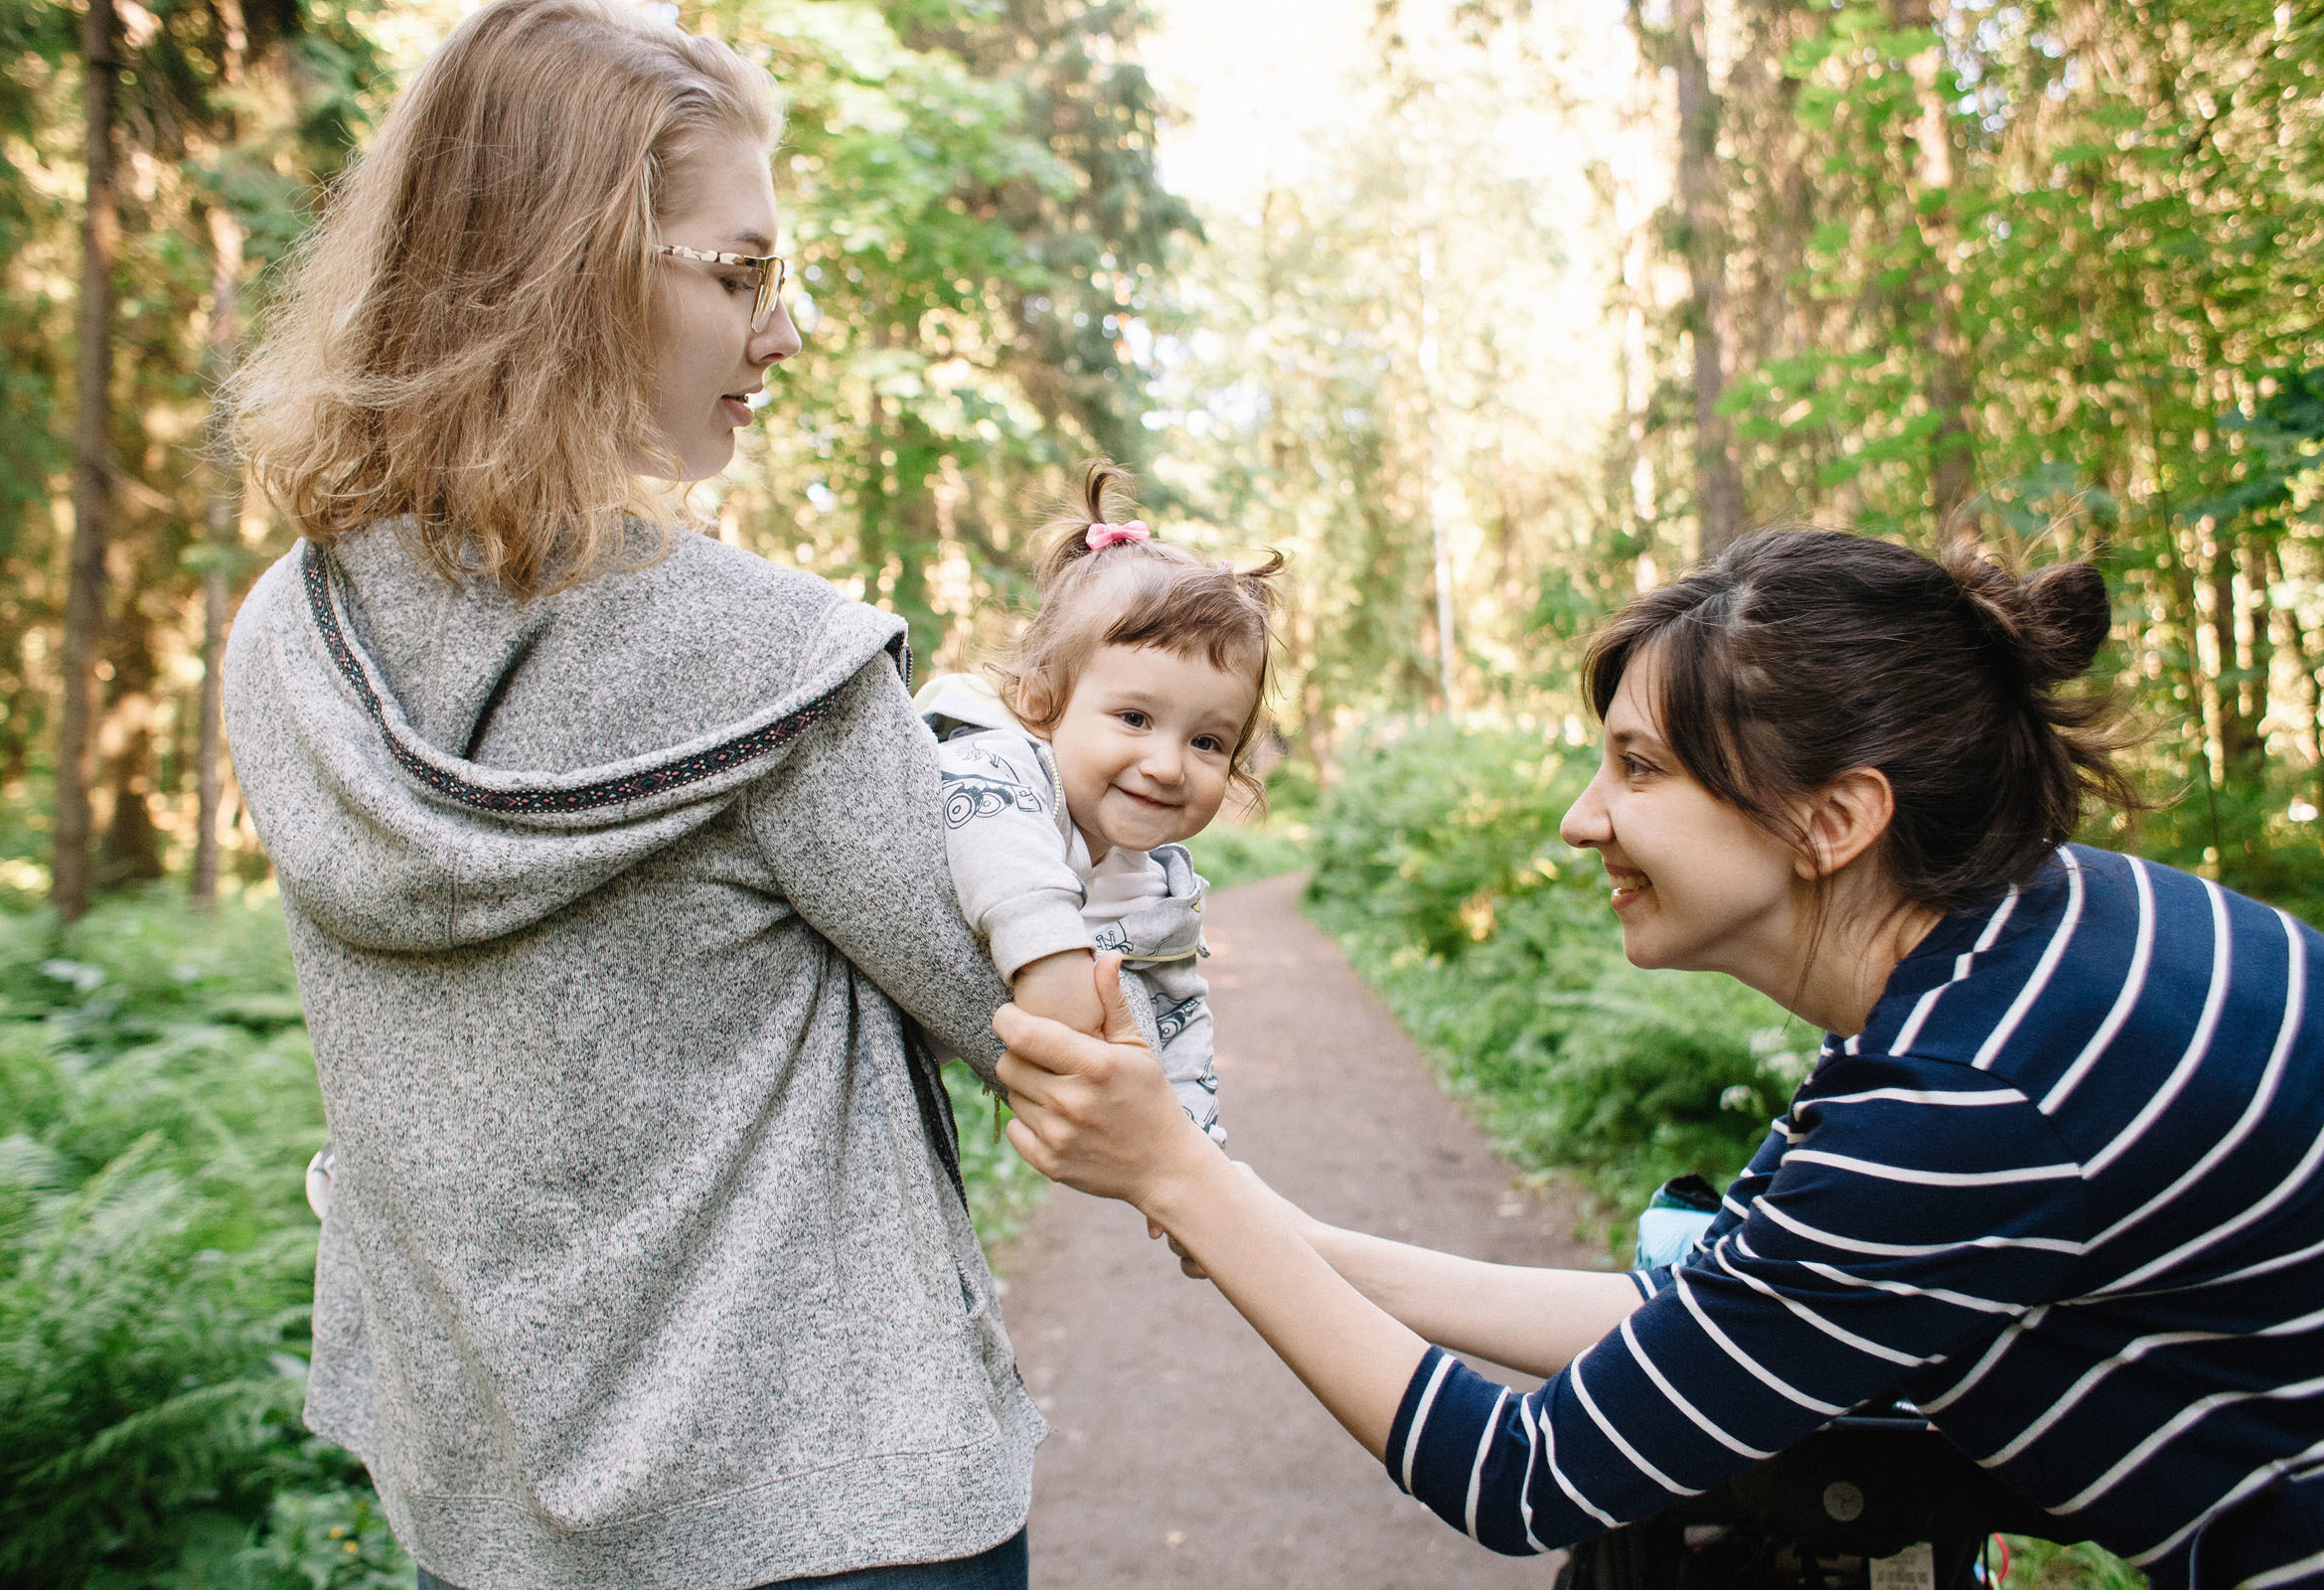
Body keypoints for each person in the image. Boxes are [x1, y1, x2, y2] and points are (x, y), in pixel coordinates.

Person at [995, 529, 2324, 1590]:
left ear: (1835, 818)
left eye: (1639, 768)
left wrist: (1178, 1177)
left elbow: (1525, 1475)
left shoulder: (1971, 1092)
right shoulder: (2039, 943)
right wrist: (1265, 1229)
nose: (1583, 820)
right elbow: (1695, 1320)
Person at [221, 3, 1041, 1585]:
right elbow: (1042, 1030)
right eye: (740, 275)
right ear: (568, 269)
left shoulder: (286, 642)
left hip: (491, 1529)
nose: (782, 334)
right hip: (855, 1519)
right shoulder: (778, 664)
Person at [913, 460, 1284, 1145]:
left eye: (1206, 741)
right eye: (1135, 719)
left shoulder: (1153, 887)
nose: (1167, 766)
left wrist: (1195, 1160)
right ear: (1041, 699)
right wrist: (1052, 959)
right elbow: (991, 834)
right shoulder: (998, 762)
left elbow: (1178, 1018)